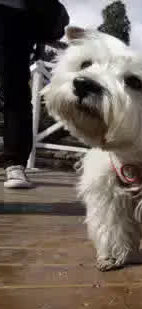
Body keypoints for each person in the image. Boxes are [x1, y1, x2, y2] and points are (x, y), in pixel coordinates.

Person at [0, 0, 68, 188]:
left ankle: (15, 163)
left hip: (17, 14)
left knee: (15, 91)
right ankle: (15, 163)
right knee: (16, 92)